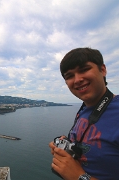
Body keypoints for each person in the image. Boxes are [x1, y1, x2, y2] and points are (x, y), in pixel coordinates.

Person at [49, 48, 119, 180]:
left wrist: (79, 177)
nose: (77, 80)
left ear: (102, 70)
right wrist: (67, 145)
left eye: (84, 69)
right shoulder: (85, 109)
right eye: (69, 76)